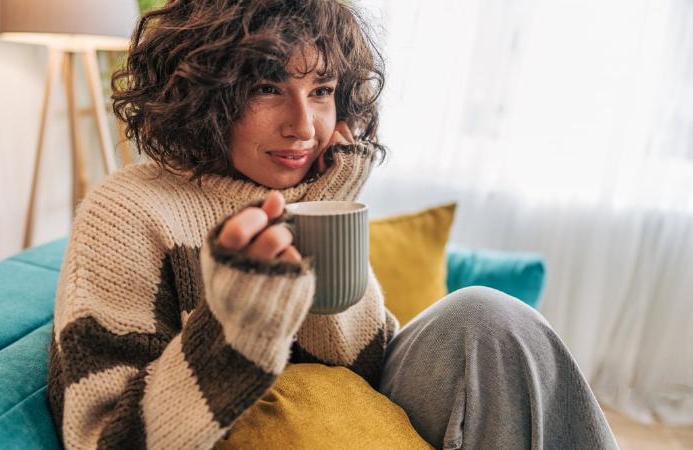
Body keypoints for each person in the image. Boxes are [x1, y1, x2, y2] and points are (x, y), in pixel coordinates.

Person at [46, 1, 618, 449]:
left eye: (321, 91)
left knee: (490, 315)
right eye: (268, 87)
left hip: (361, 407)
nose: (304, 126)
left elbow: (363, 367)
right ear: (204, 93)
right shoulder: (129, 211)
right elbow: (103, 438)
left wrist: (325, 203)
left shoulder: (310, 186)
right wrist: (235, 324)